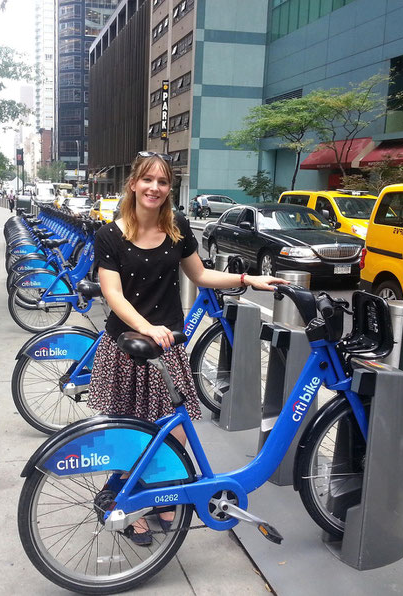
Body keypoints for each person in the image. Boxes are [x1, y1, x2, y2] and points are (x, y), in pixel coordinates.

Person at [88, 151, 289, 545]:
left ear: (168, 189)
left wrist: (248, 279)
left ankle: (162, 494)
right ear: (133, 184)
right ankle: (132, 508)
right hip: (128, 347)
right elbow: (113, 294)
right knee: (132, 432)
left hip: (168, 347)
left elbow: (199, 274)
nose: (155, 188)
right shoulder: (110, 235)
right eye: (148, 180)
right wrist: (148, 328)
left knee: (173, 430)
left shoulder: (177, 228)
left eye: (163, 182)